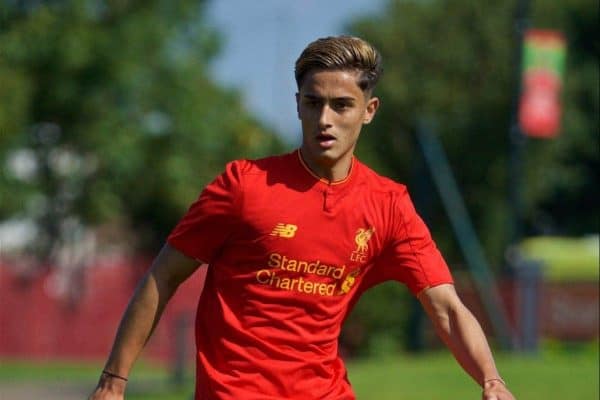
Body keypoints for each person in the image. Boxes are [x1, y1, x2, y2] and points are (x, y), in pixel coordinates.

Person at [89, 35, 516, 400]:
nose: (324, 120)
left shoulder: (389, 205)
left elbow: (446, 308)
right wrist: (114, 380)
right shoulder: (244, 186)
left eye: (341, 105)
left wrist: (491, 379)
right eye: (313, 103)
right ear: (297, 105)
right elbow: (164, 276)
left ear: (369, 110)